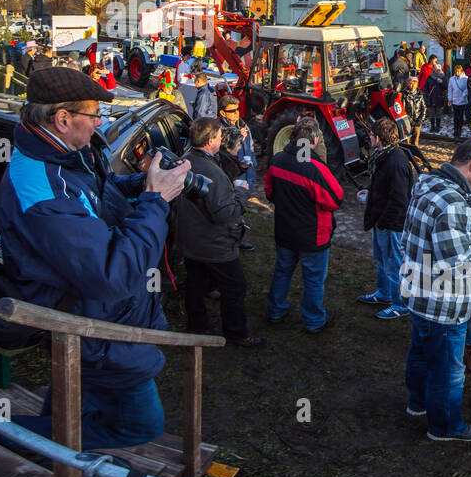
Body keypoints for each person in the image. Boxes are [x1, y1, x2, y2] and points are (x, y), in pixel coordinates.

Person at [0, 66, 188, 451]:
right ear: (63, 119)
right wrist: (155, 201)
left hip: (92, 321)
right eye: (94, 115)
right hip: (94, 327)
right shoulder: (42, 184)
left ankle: (44, 450)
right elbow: (112, 274)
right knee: (142, 426)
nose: (100, 123)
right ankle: (11, 439)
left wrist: (141, 183)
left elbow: (96, 198)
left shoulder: (64, 154)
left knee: (72, 403)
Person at [400, 143, 471, 442]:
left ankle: (418, 404)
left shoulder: (427, 184)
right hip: (444, 304)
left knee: (421, 354)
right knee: (448, 370)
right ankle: (446, 427)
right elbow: (459, 267)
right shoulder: (454, 203)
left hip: (418, 291)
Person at [167, 117, 261, 348]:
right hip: (213, 244)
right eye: (219, 137)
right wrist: (240, 193)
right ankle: (236, 333)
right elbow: (225, 214)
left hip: (189, 238)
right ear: (210, 141)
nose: (221, 141)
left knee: (195, 281)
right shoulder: (213, 173)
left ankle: (197, 324)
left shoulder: (186, 160)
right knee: (235, 286)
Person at [264, 131, 342, 333]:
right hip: (312, 235)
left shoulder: (277, 159)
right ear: (314, 141)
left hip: (284, 230)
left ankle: (276, 310)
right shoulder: (315, 168)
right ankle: (314, 320)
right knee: (314, 279)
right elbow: (335, 199)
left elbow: (269, 192)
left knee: (282, 271)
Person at [356, 135, 421, 319]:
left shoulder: (395, 161)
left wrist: (384, 222)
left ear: (378, 137)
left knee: (395, 264)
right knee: (382, 260)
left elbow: (399, 199)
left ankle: (401, 305)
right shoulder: (383, 156)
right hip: (381, 220)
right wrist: (369, 191)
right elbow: (385, 186)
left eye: (370, 135)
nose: (368, 137)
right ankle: (384, 293)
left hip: (391, 224)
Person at [446, 63, 471, 139]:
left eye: (458, 71)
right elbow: (450, 90)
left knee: (461, 116)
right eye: (456, 71)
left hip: (463, 100)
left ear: (461, 71)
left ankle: (459, 129)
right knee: (455, 116)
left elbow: (468, 88)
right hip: (455, 100)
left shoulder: (466, 79)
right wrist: (450, 99)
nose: (457, 73)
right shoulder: (452, 79)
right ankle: (456, 129)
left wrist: (464, 94)